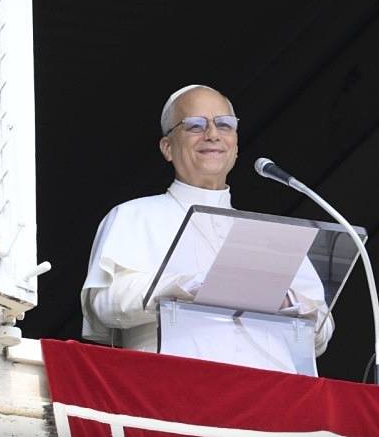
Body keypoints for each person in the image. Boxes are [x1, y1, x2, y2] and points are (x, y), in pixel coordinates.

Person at [80, 85, 334, 372]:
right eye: (195, 125)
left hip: (273, 390)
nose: (212, 134)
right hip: (176, 386)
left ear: (235, 146)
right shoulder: (134, 215)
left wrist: (285, 299)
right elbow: (104, 304)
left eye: (224, 124)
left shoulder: (270, 235)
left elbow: (321, 333)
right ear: (167, 148)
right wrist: (191, 287)